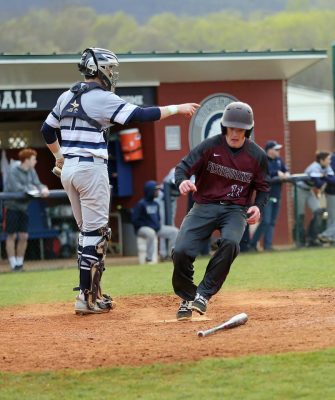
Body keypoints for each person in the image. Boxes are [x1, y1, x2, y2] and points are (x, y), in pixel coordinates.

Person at [40, 47, 199, 315]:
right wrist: (177, 108)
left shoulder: (66, 95)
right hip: (91, 169)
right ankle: (87, 298)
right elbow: (140, 115)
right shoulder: (101, 98)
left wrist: (59, 157)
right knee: (96, 234)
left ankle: (90, 293)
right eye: (110, 68)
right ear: (98, 69)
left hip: (70, 171)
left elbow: (46, 130)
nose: (112, 73)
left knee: (87, 234)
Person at [172, 101, 270, 321]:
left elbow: (263, 188)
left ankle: (203, 295)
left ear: (248, 130)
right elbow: (183, 167)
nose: (235, 133)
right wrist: (182, 181)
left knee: (231, 243)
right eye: (231, 128)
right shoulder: (209, 146)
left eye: (240, 129)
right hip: (204, 205)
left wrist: (257, 206)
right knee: (180, 251)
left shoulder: (257, 156)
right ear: (224, 127)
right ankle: (187, 296)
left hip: (235, 209)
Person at [3, 148, 49, 271]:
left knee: (24, 236)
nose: (36, 161)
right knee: (11, 236)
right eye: (34, 159)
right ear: (26, 160)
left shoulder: (32, 170)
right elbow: (17, 188)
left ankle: (19, 263)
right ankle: (13, 265)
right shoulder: (13, 170)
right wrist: (32, 187)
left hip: (23, 207)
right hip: (11, 207)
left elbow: (37, 184)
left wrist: (43, 188)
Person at [249, 140, 290, 251]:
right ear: (269, 150)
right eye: (276, 149)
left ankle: (268, 245)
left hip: (277, 194)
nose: (278, 151)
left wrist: (285, 173)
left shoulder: (278, 160)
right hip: (266, 196)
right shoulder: (264, 160)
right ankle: (252, 244)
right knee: (266, 221)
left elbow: (286, 170)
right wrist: (277, 173)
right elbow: (265, 173)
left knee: (272, 221)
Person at [132, 180, 179, 263]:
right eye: (156, 190)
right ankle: (149, 258)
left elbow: (158, 219)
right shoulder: (141, 204)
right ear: (150, 191)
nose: (158, 192)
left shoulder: (155, 204)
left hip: (156, 228)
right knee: (151, 233)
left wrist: (156, 226)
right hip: (142, 229)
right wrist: (148, 225)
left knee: (175, 231)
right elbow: (135, 220)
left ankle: (170, 255)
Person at [295, 151, 334, 247]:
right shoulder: (314, 167)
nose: (330, 161)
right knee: (300, 216)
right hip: (299, 190)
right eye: (328, 159)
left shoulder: (326, 167)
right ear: (322, 160)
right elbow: (318, 183)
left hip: (309, 191)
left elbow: (333, 180)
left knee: (318, 211)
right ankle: (300, 241)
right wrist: (325, 179)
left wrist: (324, 178)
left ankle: (312, 237)